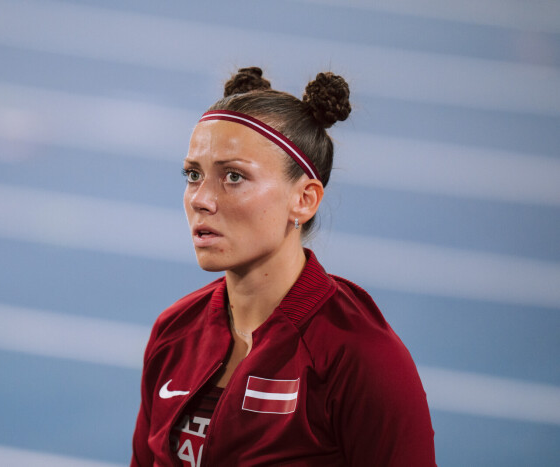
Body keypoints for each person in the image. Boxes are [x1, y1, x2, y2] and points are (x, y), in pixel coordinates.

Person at [131, 67, 436, 466]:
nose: (200, 199)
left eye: (234, 176)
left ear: (304, 200)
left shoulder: (360, 358)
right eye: (193, 174)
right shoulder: (174, 331)